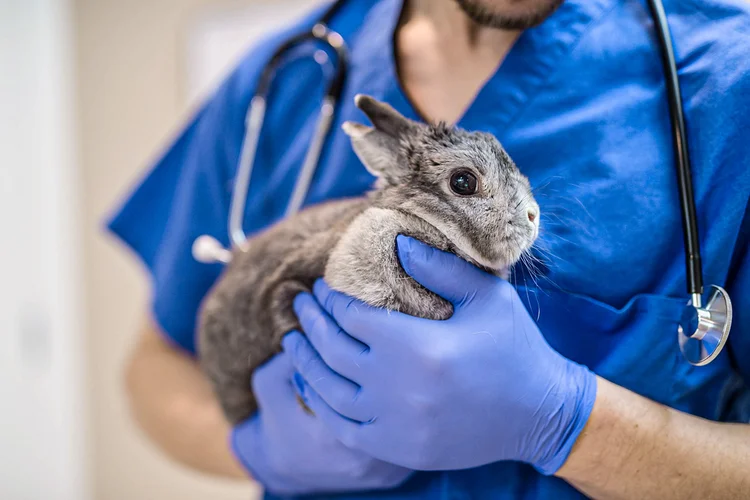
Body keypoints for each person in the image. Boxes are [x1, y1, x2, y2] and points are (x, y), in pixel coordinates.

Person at [107, 0, 750, 498]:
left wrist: (571, 425)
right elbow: (154, 368)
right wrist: (254, 448)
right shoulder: (283, 82)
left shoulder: (727, 79)